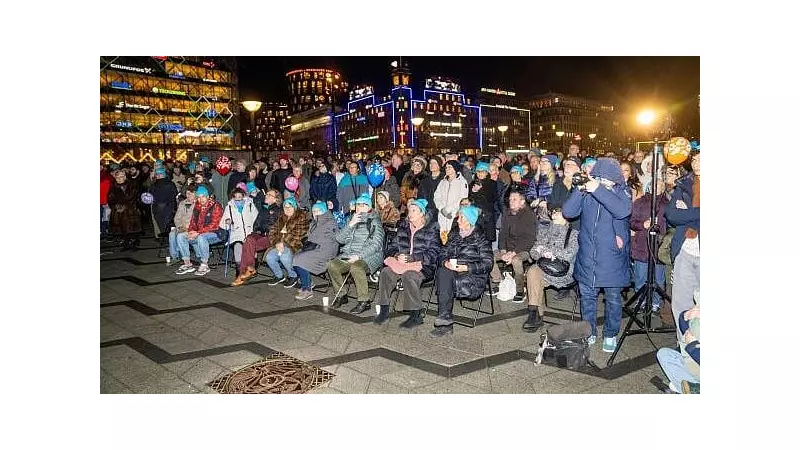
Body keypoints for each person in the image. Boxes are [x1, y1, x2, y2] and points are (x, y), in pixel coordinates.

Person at [563, 157, 632, 352]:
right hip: (588, 255)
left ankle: (610, 333)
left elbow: (622, 211)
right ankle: (589, 331)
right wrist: (580, 190)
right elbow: (568, 211)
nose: (602, 182)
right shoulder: (588, 191)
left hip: (611, 258)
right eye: (598, 178)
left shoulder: (622, 192)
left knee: (613, 298)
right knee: (587, 298)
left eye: (605, 179)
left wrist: (597, 189)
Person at [373, 199, 442, 327]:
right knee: (386, 273)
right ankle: (384, 311)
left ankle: (416, 315)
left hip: (423, 266)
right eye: (409, 210)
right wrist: (396, 255)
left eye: (414, 210)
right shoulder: (403, 227)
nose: (410, 213)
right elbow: (392, 247)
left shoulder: (432, 229)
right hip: (401, 264)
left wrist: (413, 258)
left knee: (409, 276)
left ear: (422, 213)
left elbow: (434, 254)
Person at [430, 205, 493, 337]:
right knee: (443, 272)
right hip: (453, 271)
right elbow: (442, 253)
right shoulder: (453, 234)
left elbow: (488, 263)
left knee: (445, 280)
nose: (457, 220)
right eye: (458, 218)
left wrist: (467, 267)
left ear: (470, 220)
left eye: (461, 218)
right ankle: (445, 319)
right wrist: (445, 262)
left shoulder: (480, 238)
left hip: (472, 274)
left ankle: (444, 321)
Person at [523, 208, 580, 331]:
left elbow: (569, 254)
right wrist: (541, 253)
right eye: (553, 211)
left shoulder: (574, 233)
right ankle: (534, 314)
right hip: (544, 267)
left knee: (533, 275)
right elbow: (533, 251)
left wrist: (548, 251)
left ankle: (536, 315)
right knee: (533, 272)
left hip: (563, 272)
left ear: (567, 216)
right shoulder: (545, 231)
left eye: (558, 211)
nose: (554, 213)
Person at [328, 193, 385, 312]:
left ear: (369, 207)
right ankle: (341, 295)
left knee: (356, 267)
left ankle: (364, 301)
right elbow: (339, 239)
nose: (359, 207)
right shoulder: (351, 219)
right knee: (332, 265)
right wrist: (350, 224)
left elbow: (376, 245)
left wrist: (359, 256)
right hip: (349, 254)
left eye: (362, 205)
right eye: (357, 204)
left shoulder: (375, 222)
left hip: (369, 256)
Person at [665, 150, 700, 339]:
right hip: (685, 249)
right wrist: (698, 213)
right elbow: (672, 215)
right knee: (681, 302)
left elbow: (682, 216)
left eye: (701, 159)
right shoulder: (684, 183)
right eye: (694, 159)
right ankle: (684, 345)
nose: (697, 163)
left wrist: (688, 213)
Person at [630, 178, 669, 313]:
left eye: (660, 185)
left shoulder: (668, 204)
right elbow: (631, 221)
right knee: (640, 276)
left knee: (658, 278)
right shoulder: (640, 202)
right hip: (642, 244)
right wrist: (642, 225)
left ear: (663, 188)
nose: (656, 187)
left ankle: (656, 302)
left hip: (659, 246)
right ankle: (641, 300)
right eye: (654, 184)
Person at [491, 189, 538, 298]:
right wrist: (503, 250)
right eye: (510, 199)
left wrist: (513, 253)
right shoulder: (507, 213)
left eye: (514, 199)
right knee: (489, 256)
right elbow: (502, 234)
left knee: (516, 260)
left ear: (522, 201)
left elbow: (529, 239)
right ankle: (499, 282)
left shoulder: (529, 215)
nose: (511, 201)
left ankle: (520, 290)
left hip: (524, 248)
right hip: (508, 248)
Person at [231, 188, 283, 286]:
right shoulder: (264, 209)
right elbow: (256, 224)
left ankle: (244, 272)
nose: (266, 196)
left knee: (248, 243)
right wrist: (257, 230)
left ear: (276, 199)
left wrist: (261, 230)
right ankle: (248, 270)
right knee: (249, 239)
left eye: (269, 195)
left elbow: (272, 226)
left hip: (270, 237)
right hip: (260, 235)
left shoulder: (278, 210)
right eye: (266, 194)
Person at [292, 201, 340, 300]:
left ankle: (307, 290)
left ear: (323, 211)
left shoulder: (330, 222)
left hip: (325, 251)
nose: (315, 213)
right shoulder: (314, 222)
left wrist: (313, 242)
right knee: (295, 257)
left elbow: (333, 240)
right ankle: (307, 283)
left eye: (318, 211)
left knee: (299, 259)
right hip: (314, 248)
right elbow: (309, 236)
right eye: (313, 211)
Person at [174, 186, 225, 276]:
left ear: (208, 196)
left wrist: (198, 233)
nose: (201, 199)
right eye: (199, 197)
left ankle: (204, 264)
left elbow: (215, 224)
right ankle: (187, 263)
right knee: (181, 236)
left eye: (203, 196)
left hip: (216, 233)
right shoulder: (197, 206)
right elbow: (193, 222)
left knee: (201, 237)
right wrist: (190, 231)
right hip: (199, 232)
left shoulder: (216, 206)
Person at [656, 291, 700, 394]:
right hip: (694, 365)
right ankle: (692, 387)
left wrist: (693, 344)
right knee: (664, 354)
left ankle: (694, 389)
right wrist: (686, 316)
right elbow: (684, 328)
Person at [264, 196, 309, 287]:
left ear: (295, 207)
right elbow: (272, 231)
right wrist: (276, 243)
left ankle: (293, 275)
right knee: (269, 257)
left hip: (293, 245)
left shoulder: (301, 217)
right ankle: (279, 276)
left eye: (290, 207)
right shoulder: (281, 217)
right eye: (285, 207)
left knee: (284, 257)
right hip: (278, 245)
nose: (287, 209)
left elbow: (298, 235)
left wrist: (283, 243)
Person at [219, 187, 258, 272]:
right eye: (235, 198)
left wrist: (254, 230)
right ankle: (239, 269)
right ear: (232, 198)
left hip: (249, 233)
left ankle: (252, 267)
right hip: (236, 234)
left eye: (240, 197)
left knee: (251, 247)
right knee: (237, 247)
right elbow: (222, 223)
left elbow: (256, 219)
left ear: (243, 196)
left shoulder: (250, 205)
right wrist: (227, 221)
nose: (238, 200)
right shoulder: (229, 207)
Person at [107, 168, 142, 251]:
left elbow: (132, 196)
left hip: (130, 210)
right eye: (118, 177)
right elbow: (110, 198)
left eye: (122, 176)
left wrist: (124, 205)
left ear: (125, 176)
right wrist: (116, 206)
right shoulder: (113, 187)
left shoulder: (131, 184)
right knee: (123, 229)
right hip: (119, 212)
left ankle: (133, 243)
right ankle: (126, 244)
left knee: (132, 228)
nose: (120, 179)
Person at [434, 160, 469, 238]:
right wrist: (441, 208)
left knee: (453, 236)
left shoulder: (462, 182)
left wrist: (449, 210)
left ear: (455, 169)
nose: (447, 169)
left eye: (450, 167)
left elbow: (463, 198)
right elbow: (437, 196)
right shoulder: (442, 182)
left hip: (454, 214)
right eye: (446, 167)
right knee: (442, 236)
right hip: (442, 214)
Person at [167, 186, 196, 265]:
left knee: (180, 235)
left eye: (190, 194)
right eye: (187, 193)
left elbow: (196, 220)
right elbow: (177, 218)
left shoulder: (197, 204)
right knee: (172, 234)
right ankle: (174, 257)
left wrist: (187, 228)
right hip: (181, 227)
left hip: (191, 228)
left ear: (195, 194)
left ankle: (185, 258)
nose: (188, 195)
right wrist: (179, 226)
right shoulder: (182, 203)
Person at [150, 167, 178, 236]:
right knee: (165, 225)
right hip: (164, 207)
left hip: (162, 207)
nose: (158, 175)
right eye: (158, 174)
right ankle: (169, 239)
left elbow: (150, 196)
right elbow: (175, 195)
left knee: (164, 225)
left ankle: (168, 239)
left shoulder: (154, 185)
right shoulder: (170, 184)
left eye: (160, 174)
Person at [100, 164, 112, 238]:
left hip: (105, 201)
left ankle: (105, 232)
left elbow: (107, 190)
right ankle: (103, 231)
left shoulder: (106, 177)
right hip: (101, 201)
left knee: (105, 217)